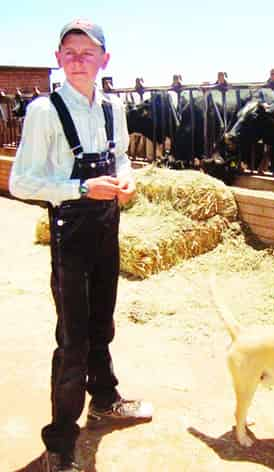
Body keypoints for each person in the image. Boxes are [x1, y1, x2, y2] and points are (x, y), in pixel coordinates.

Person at [9, 19, 153, 472]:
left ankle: (105, 402)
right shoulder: (44, 111)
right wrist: (80, 188)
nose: (77, 60)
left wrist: (126, 177)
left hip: (107, 227)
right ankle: (60, 440)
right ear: (57, 58)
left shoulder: (112, 108)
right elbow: (20, 182)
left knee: (101, 322)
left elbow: (122, 155)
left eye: (87, 52)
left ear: (104, 60)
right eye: (68, 51)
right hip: (70, 229)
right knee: (72, 338)